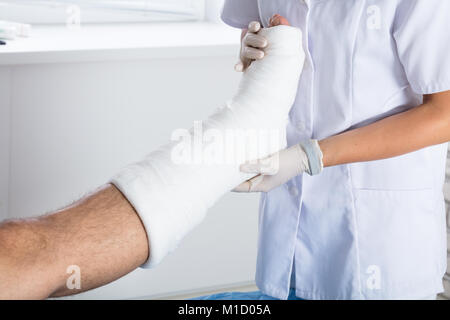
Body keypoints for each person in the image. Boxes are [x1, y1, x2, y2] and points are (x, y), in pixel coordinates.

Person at [222, 0, 450, 300]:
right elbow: (254, 27)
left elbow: (443, 114)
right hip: (289, 221)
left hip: (380, 236)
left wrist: (310, 156)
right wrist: (256, 50)